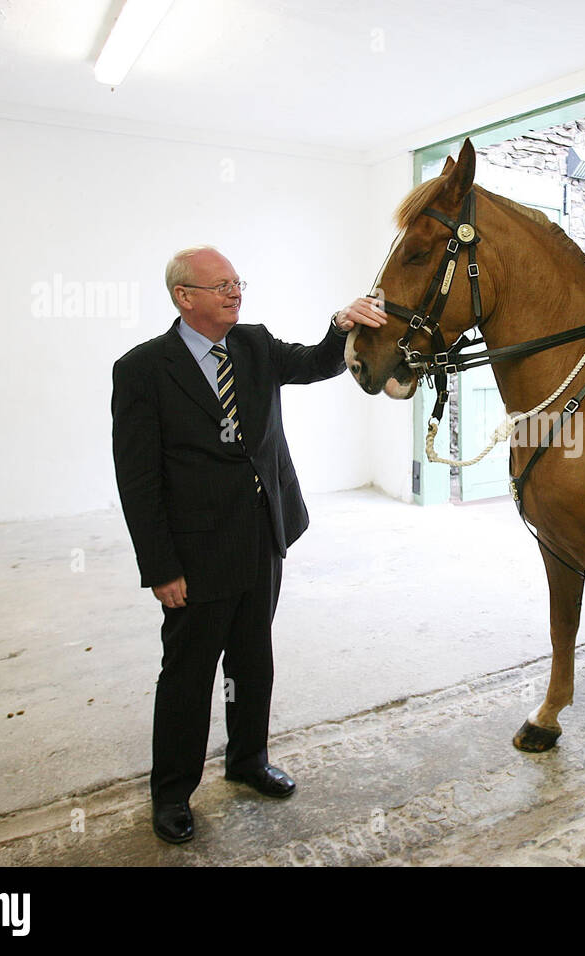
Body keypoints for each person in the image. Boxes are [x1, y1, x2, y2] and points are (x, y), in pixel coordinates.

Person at [111, 246, 385, 844]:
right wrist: (160, 566)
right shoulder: (142, 370)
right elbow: (138, 481)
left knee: (252, 657)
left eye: (238, 282)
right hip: (194, 553)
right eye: (221, 286)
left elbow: (317, 362)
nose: (236, 293)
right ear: (185, 297)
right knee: (187, 675)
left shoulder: (255, 345)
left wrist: (340, 326)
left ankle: (248, 761)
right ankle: (172, 794)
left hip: (261, 536)